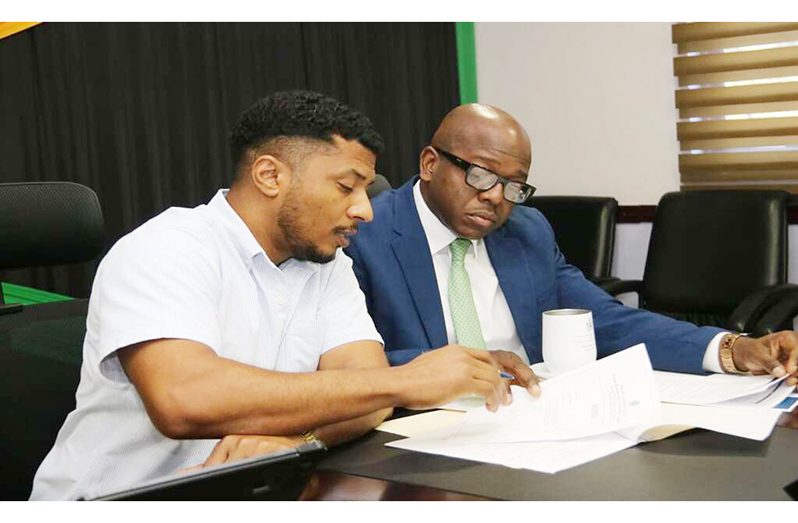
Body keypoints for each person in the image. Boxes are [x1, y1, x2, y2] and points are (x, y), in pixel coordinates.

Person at [30, 92, 537, 501]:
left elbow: (364, 393)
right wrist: (405, 382)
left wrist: (296, 443)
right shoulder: (166, 247)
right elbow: (184, 399)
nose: (365, 210)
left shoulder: (328, 263)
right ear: (270, 175)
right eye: (347, 187)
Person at [344, 103, 798, 382]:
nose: (495, 198)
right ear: (429, 163)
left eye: (513, 185)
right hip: (417, 439)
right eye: (479, 174)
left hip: (538, 422)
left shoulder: (527, 230)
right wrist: (462, 368)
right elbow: (340, 364)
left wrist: (733, 349)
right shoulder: (362, 234)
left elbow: (605, 320)